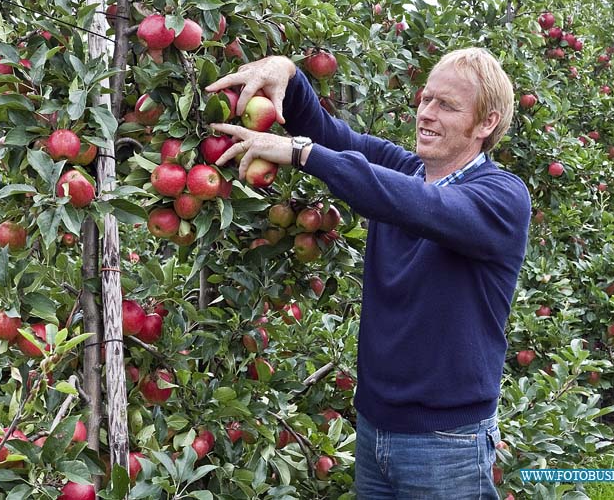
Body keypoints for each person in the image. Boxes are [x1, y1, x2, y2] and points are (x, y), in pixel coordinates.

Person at [206, 47, 531, 499]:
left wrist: (302, 154)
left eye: (447, 105)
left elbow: (419, 206)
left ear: (486, 124)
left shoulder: (501, 197)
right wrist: (289, 74)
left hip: (447, 443)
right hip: (374, 428)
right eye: (425, 99)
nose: (427, 113)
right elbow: (330, 135)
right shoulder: (405, 170)